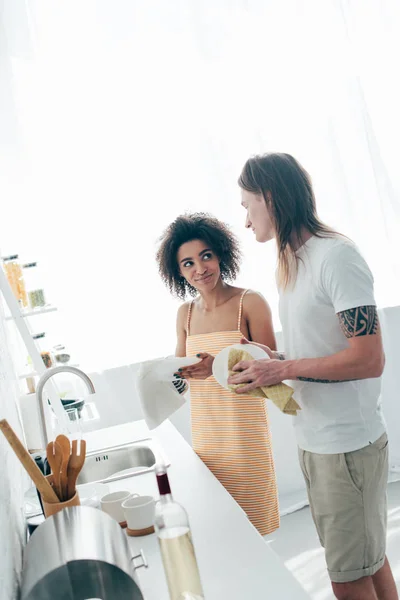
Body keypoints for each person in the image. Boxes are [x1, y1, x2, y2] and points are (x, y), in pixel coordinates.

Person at [228, 152, 398, 600]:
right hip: (318, 441)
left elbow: (368, 358)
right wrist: (272, 359)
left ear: (269, 197)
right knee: (368, 560)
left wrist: (283, 367)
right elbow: (321, 353)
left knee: (347, 577)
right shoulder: (293, 263)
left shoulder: (335, 257)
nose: (245, 220)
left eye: (247, 205)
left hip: (347, 448)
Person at [156, 212, 280, 536]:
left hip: (245, 436)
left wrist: (218, 365)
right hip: (207, 437)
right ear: (178, 272)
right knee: (222, 531)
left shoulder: (250, 302)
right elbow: (182, 375)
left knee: (255, 530)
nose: (200, 269)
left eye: (206, 256)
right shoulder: (184, 314)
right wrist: (168, 374)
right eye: (188, 263)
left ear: (220, 254)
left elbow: (273, 374)